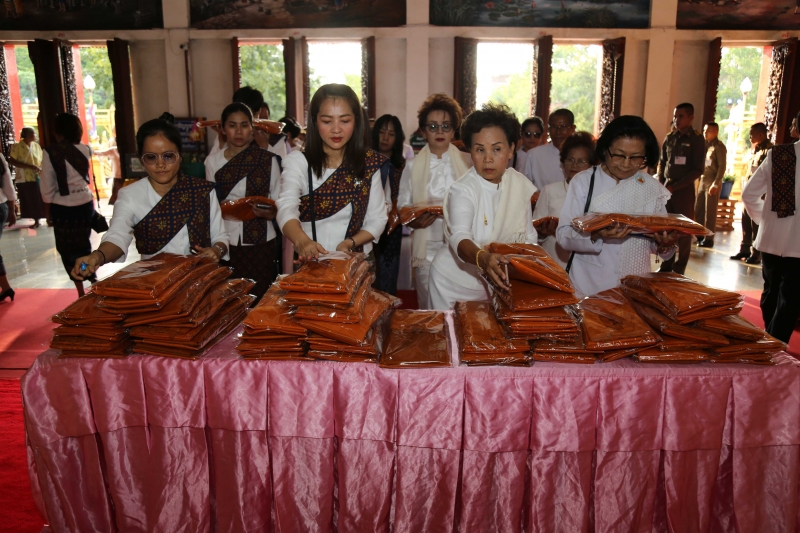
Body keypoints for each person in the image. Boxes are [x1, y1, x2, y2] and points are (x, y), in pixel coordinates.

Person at [71, 113, 229, 282]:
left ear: (180, 156)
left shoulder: (202, 191)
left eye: (168, 156)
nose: (160, 164)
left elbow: (221, 237)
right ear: (141, 160)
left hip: (200, 281)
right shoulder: (130, 195)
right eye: (151, 157)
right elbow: (117, 235)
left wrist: (216, 251)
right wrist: (98, 256)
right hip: (154, 285)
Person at [428, 103, 537, 310]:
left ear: (512, 149)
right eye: (480, 150)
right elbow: (459, 236)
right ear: (470, 151)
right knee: (450, 339)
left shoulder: (518, 185)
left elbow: (529, 238)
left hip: (496, 281)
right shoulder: (463, 190)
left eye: (497, 149)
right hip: (451, 282)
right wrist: (483, 259)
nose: (488, 159)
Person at [556, 116, 679, 297]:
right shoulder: (584, 181)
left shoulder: (651, 189)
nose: (626, 164)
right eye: (619, 155)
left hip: (634, 288)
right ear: (605, 150)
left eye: (636, 157)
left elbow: (658, 244)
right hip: (589, 287)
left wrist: (665, 244)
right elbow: (563, 235)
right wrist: (596, 234)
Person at [276, 84, 389, 262]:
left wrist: (349, 243)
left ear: (356, 121)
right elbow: (286, 208)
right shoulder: (299, 162)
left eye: (344, 121)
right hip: (312, 262)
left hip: (356, 261)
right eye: (327, 121)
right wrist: (302, 241)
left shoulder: (368, 163)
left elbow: (378, 218)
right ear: (314, 121)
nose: (336, 129)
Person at [397, 93, 472, 309]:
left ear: (454, 129)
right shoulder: (411, 166)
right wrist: (413, 221)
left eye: (446, 126)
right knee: (429, 306)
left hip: (461, 245)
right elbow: (403, 208)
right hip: (426, 245)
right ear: (423, 130)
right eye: (433, 126)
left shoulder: (468, 163)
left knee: (460, 306)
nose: (439, 132)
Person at [205, 103, 282, 301]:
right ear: (223, 129)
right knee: (229, 298)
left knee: (260, 295)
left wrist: (272, 213)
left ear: (252, 128)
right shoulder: (212, 162)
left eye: (244, 125)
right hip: (225, 240)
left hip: (261, 239)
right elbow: (211, 205)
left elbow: (278, 200)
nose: (239, 131)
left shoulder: (268, 160)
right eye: (232, 125)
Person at [741, 115, 800, 343]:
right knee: (790, 297)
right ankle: (775, 343)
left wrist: (763, 221)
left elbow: (748, 195)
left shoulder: (778, 154)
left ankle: (770, 338)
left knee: (770, 291)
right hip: (798, 245)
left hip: (771, 238)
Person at [39, 113, 98, 296]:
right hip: (85, 204)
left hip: (63, 208)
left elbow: (47, 187)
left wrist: (48, 213)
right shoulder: (86, 149)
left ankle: (81, 290)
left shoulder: (51, 152)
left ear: (58, 132)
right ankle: (91, 277)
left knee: (67, 251)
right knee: (83, 246)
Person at [533, 131, 598, 268]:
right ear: (563, 163)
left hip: (585, 266)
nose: (575, 165)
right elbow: (534, 233)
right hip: (553, 263)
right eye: (570, 159)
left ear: (592, 166)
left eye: (581, 161)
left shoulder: (598, 195)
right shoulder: (550, 190)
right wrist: (543, 232)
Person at [657, 102, 705, 275]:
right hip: (667, 188)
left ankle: (679, 268)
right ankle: (666, 264)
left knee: (683, 230)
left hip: (683, 190)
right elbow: (662, 163)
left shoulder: (696, 139)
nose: (676, 120)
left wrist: (675, 187)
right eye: (675, 116)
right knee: (667, 227)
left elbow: (698, 169)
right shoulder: (670, 137)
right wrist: (661, 183)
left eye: (681, 116)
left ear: (691, 118)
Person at [372, 114, 407, 295]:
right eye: (382, 132)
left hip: (391, 228)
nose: (385, 138)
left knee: (388, 275)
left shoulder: (402, 166)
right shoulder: (365, 163)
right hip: (366, 227)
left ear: (397, 138)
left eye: (391, 134)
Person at [731, 122, 773, 264]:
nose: (749, 137)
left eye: (752, 134)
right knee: (746, 223)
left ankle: (756, 253)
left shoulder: (769, 150)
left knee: (756, 224)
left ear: (761, 134)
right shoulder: (755, 149)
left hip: (760, 195)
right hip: (749, 192)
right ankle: (745, 248)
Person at [522, 109, 576, 190]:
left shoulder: (581, 155)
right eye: (554, 127)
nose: (558, 132)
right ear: (549, 129)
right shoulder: (534, 155)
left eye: (563, 127)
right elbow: (523, 186)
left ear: (572, 129)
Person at [696, 122, 727, 248]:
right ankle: (698, 235)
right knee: (699, 209)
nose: (705, 132)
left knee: (710, 212)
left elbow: (722, 166)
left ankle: (709, 239)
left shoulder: (719, 147)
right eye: (704, 130)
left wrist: (716, 183)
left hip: (712, 180)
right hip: (703, 179)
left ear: (715, 132)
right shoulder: (705, 145)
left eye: (708, 130)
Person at [9, 127, 45, 227]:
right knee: (29, 198)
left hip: (36, 176)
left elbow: (41, 159)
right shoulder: (17, 146)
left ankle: (39, 218)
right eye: (34, 134)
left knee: (38, 197)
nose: (36, 136)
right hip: (24, 177)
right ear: (28, 135)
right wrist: (29, 166)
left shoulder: (36, 146)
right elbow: (12, 161)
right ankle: (34, 218)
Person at [0, 153, 17, 302]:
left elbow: (8, 185)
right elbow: (8, 185)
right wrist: (11, 209)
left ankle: (6, 288)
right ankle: (6, 288)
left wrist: (12, 210)